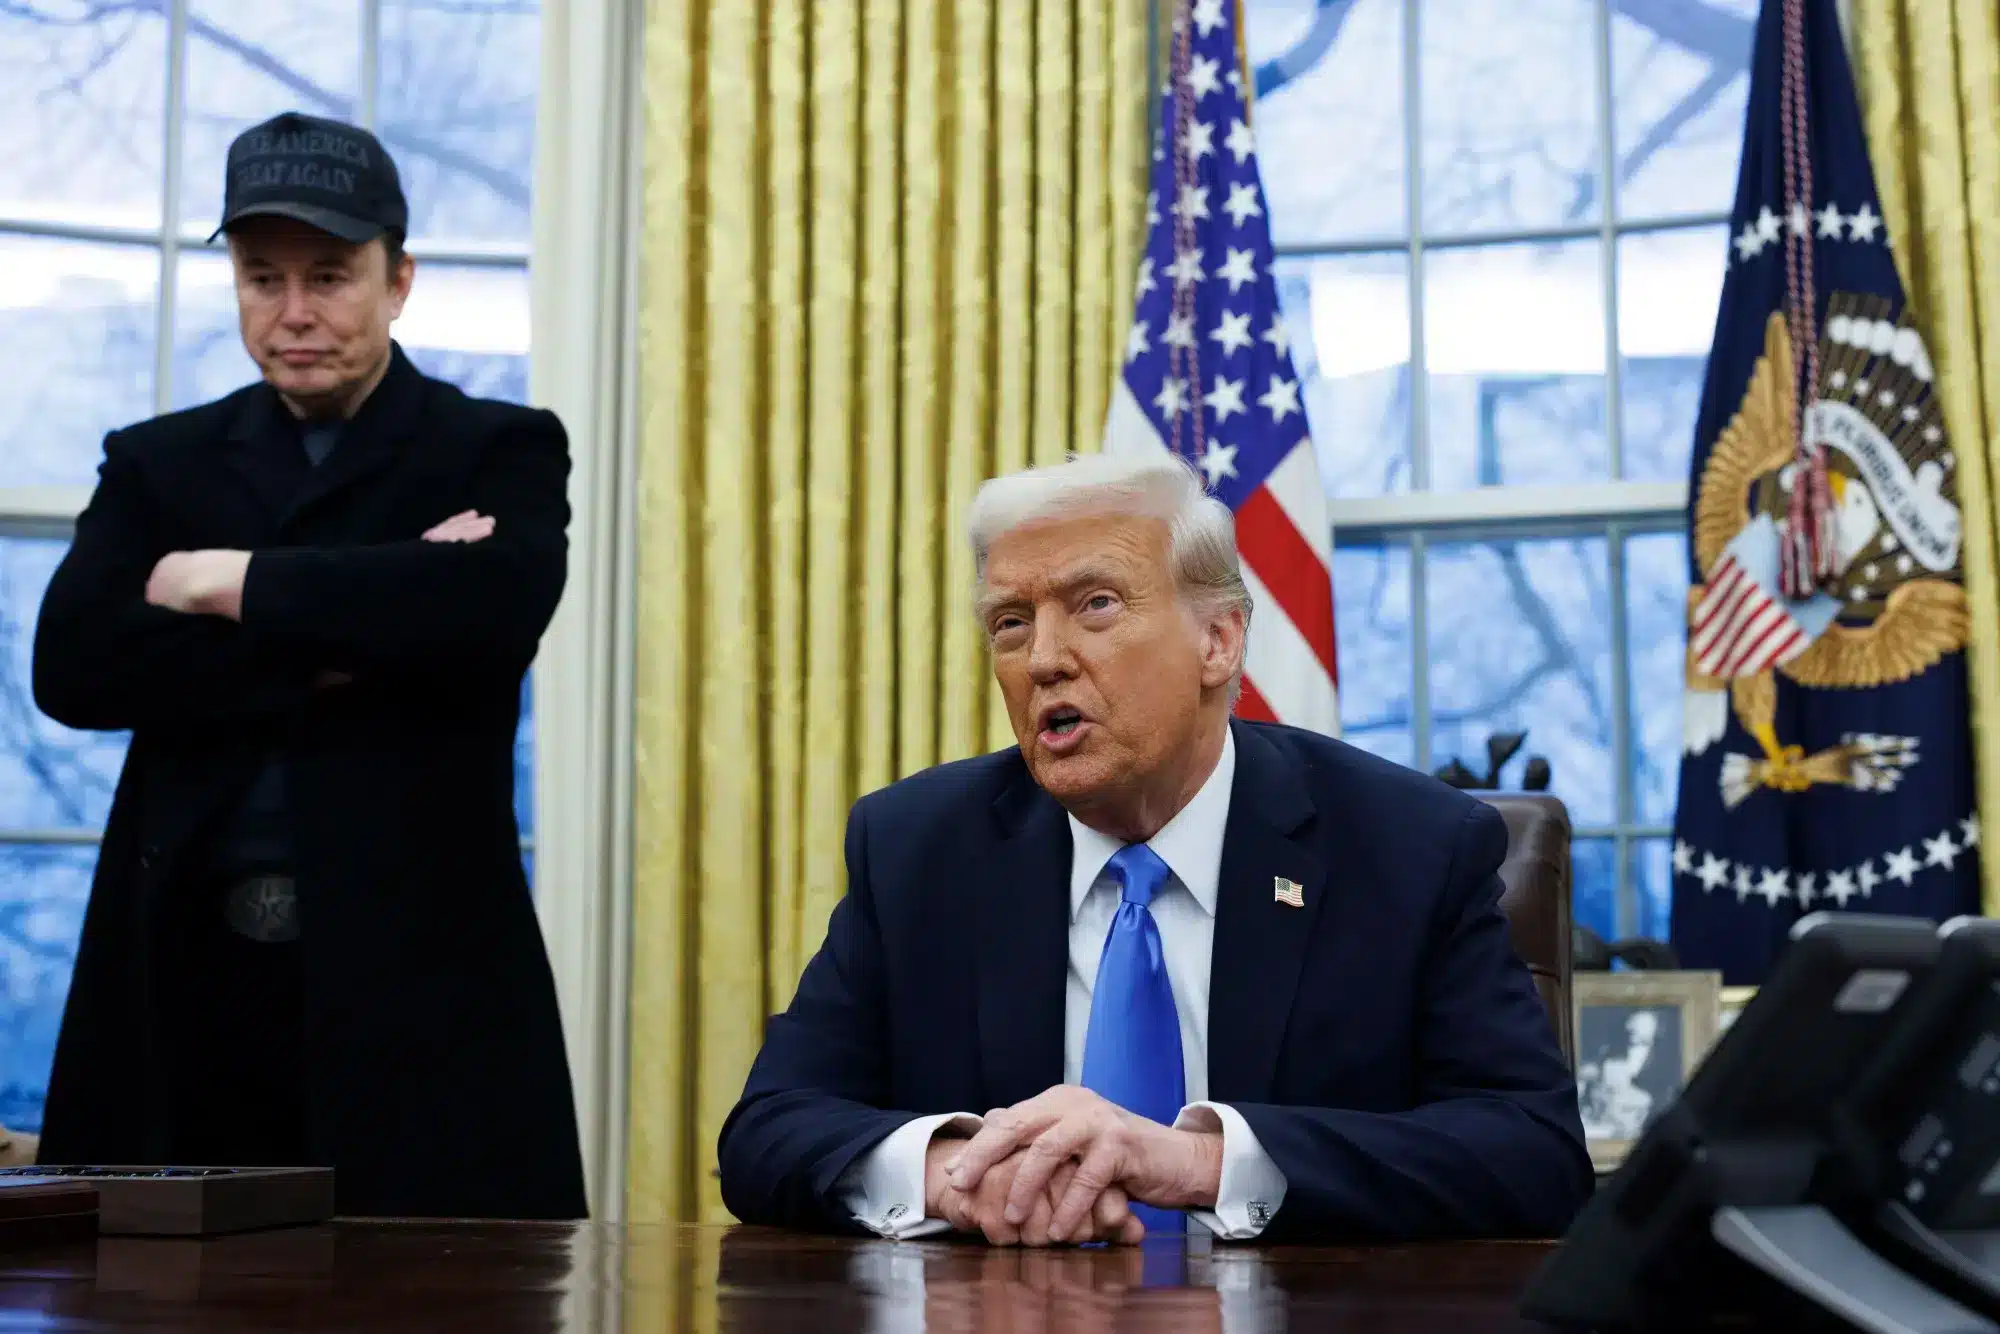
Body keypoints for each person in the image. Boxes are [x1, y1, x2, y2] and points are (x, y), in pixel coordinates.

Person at [717, 450, 1591, 1245]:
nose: (1044, 659)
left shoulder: (1407, 847)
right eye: (1011, 623)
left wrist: (1199, 1163)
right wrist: (951, 1172)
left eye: (1095, 604)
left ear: (1219, 640)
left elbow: (1532, 1153)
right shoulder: (918, 849)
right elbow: (767, 1129)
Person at [31, 111, 586, 1220]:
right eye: (261, 277)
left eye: (329, 275)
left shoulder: (498, 445)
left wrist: (224, 582)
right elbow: (75, 665)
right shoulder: (158, 461)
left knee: (437, 1294)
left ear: (399, 280)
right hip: (181, 971)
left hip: (419, 977)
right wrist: (366, 625)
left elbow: (488, 609)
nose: (293, 313)